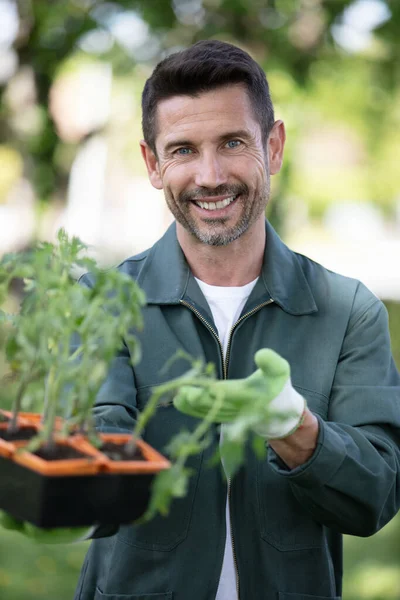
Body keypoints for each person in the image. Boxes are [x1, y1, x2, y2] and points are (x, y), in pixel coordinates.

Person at [3, 40, 398, 599]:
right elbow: (101, 435)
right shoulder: (102, 302)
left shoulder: (348, 311)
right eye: (183, 150)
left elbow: (375, 497)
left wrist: (295, 429)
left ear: (274, 145)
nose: (210, 176)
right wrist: (52, 483)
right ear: (153, 164)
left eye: (233, 143)